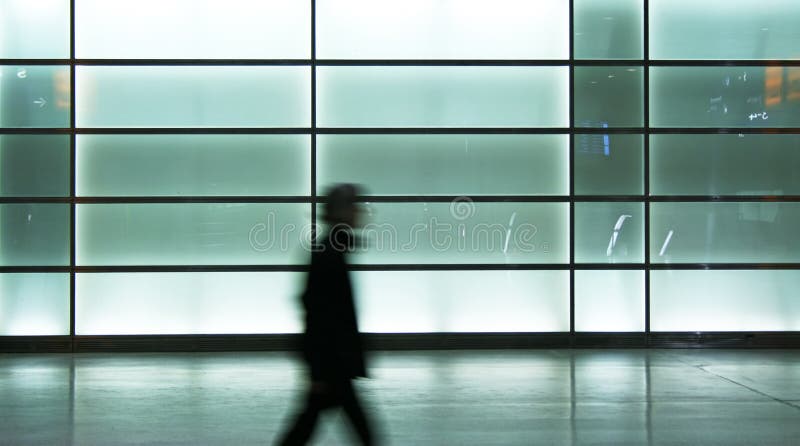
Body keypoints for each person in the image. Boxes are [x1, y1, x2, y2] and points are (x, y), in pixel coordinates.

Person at [276, 184, 375, 445]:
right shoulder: (330, 254)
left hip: (331, 365)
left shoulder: (330, 250)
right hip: (333, 366)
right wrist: (317, 370)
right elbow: (318, 312)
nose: (362, 212)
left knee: (304, 427)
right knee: (361, 433)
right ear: (343, 212)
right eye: (356, 207)